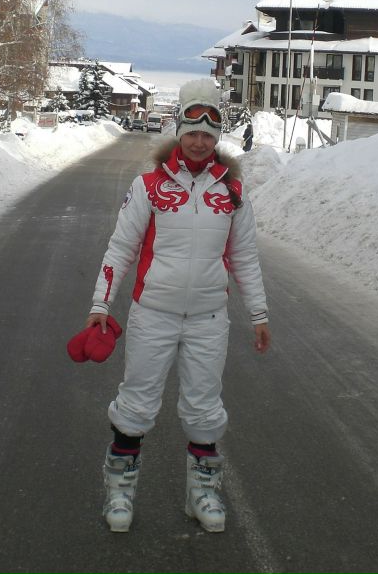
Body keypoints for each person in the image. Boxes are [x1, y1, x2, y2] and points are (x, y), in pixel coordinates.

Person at [85, 78, 271, 533]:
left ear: (217, 137)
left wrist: (259, 314)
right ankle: (120, 491)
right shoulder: (148, 186)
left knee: (204, 409)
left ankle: (202, 494)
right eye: (193, 131)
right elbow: (121, 248)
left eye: (209, 133)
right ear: (179, 130)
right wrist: (101, 304)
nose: (200, 141)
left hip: (209, 319)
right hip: (153, 314)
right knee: (136, 406)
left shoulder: (232, 192)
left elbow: (244, 257)